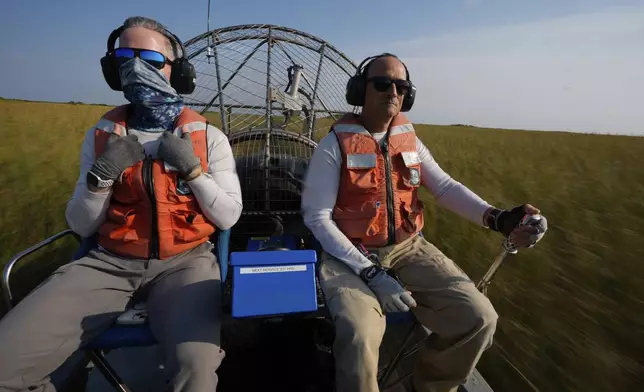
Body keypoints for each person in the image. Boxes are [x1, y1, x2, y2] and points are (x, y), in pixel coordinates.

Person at [0, 16, 242, 392]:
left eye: (151, 59)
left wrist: (193, 172)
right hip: (108, 261)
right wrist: (102, 176)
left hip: (186, 262)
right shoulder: (100, 135)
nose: (136, 68)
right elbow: (82, 226)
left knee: (195, 366)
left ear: (176, 72)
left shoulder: (207, 136)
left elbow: (228, 215)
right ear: (112, 70)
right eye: (124, 58)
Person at [301, 53, 548, 392]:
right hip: (349, 257)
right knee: (360, 336)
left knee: (478, 318)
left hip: (409, 248)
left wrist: (498, 218)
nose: (393, 92)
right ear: (359, 91)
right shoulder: (334, 146)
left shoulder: (410, 141)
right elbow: (317, 217)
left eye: (401, 86)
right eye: (383, 83)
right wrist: (370, 272)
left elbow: (444, 188)